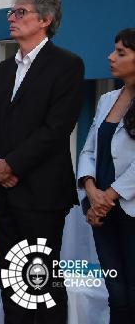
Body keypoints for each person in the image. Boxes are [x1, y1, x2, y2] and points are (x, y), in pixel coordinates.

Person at [0, 0, 84, 323]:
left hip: (40, 193)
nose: (11, 17)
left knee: (40, 283)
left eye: (20, 12)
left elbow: (56, 129)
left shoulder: (67, 65)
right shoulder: (6, 69)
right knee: (10, 279)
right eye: (11, 12)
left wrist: (12, 165)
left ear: (46, 19)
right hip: (2, 190)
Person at [78, 28, 135, 324]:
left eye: (121, 53)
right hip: (102, 211)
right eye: (114, 50)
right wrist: (91, 190)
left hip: (127, 209)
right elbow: (88, 151)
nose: (110, 57)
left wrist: (108, 196)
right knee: (116, 293)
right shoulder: (107, 99)